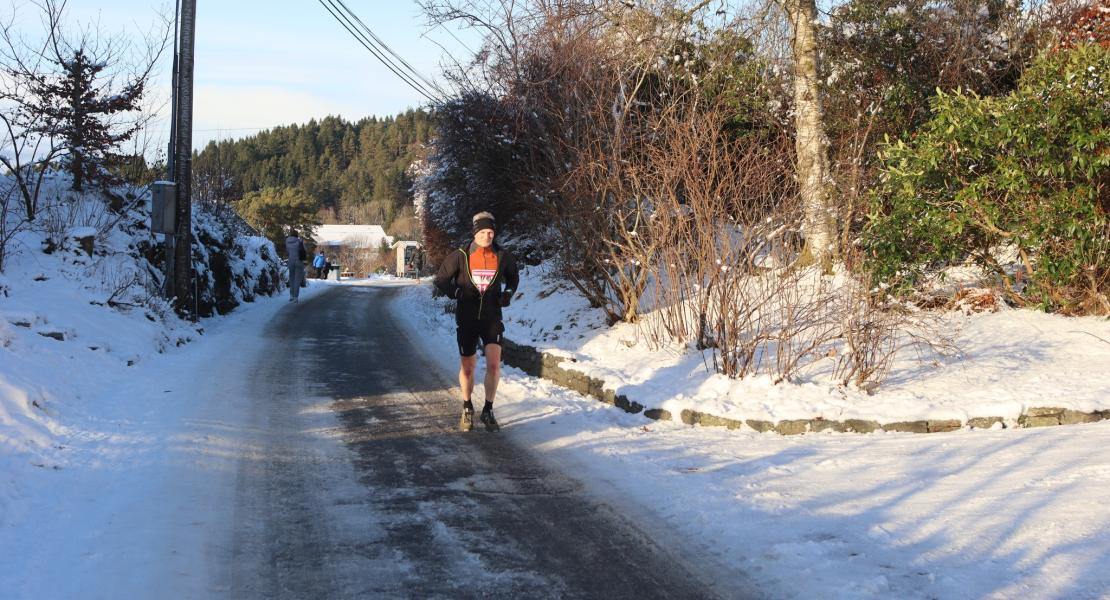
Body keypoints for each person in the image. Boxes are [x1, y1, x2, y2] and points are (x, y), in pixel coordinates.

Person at [434, 211, 520, 432]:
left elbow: (513, 277)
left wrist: (507, 294)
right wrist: (456, 293)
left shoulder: (502, 256)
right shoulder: (460, 256)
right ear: (475, 233)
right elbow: (442, 279)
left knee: (493, 365)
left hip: (492, 318)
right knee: (468, 367)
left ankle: (488, 410)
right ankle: (467, 407)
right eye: (482, 232)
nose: (487, 236)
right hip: (467, 319)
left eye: (490, 232)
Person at [285, 229, 307, 302]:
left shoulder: (287, 241)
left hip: (290, 261)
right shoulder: (299, 241)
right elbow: (304, 250)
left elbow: (287, 251)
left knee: (291, 278)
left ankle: (291, 295)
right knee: (297, 279)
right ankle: (295, 297)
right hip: (299, 261)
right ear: (297, 235)